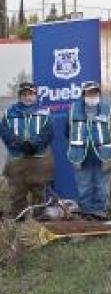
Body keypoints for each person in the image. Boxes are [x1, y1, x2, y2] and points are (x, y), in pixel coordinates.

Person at [0, 82, 54, 217]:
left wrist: (33, 145)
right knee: (17, 190)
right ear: (19, 96)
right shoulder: (9, 113)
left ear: (35, 96)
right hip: (17, 158)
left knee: (39, 190)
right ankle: (20, 219)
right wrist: (19, 144)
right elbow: (5, 132)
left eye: (30, 94)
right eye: (24, 94)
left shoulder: (44, 112)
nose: (27, 97)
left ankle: (40, 218)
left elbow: (48, 133)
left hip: (39, 159)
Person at [67, 81, 111, 219]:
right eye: (89, 92)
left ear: (99, 94)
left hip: (104, 155)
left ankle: (100, 211)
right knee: (84, 186)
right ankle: (86, 212)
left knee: (102, 187)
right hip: (81, 155)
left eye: (95, 92)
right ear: (83, 94)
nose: (93, 95)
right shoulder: (73, 110)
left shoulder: (109, 109)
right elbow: (68, 132)